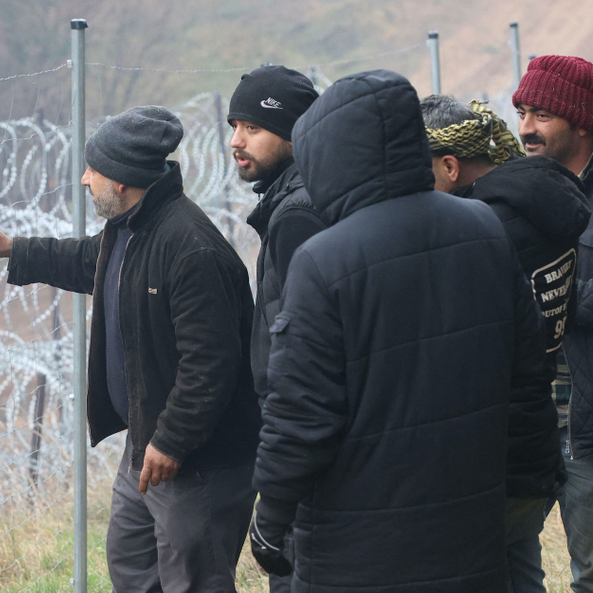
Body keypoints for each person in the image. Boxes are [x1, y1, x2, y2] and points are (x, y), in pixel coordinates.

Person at [249, 69, 551, 593]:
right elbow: (527, 372)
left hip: (355, 548)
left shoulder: (325, 259)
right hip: (469, 527)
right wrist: (525, 484)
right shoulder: (482, 228)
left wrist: (270, 517)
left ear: (330, 155)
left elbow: (301, 412)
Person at [0, 105, 260, 593]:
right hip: (148, 446)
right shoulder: (133, 228)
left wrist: (171, 441)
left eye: (92, 170)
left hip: (197, 460)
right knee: (132, 565)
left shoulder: (189, 249)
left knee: (195, 581)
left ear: (121, 181)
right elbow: (88, 261)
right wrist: (14, 247)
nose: (83, 180)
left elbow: (211, 364)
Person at [422, 94, 588, 592]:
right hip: (532, 433)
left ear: (450, 166)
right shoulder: (536, 202)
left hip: (496, 443)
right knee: (521, 565)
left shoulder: (482, 230)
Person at [227, 64, 322, 593]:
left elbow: (302, 347)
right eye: (233, 126)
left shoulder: (298, 213)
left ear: (293, 131)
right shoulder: (291, 200)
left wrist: (283, 447)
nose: (237, 142)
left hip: (297, 437)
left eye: (252, 128)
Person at [514, 54, 593, 593]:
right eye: (521, 112)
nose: (525, 129)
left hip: (586, 429)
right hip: (534, 421)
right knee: (503, 558)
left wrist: (548, 298)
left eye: (541, 114)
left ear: (581, 121)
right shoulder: (521, 195)